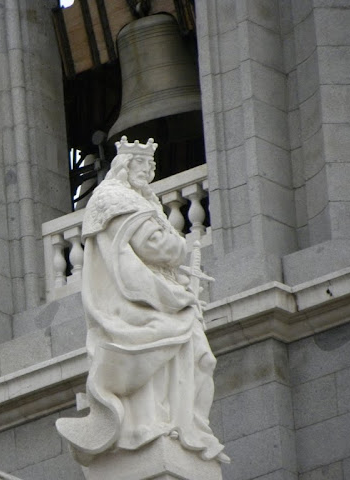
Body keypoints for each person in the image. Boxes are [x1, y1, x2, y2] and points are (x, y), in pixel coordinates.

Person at [56, 137, 227, 463]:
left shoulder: (137, 200)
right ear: (125, 165)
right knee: (156, 356)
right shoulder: (115, 199)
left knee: (202, 359)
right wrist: (178, 248)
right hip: (135, 305)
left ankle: (187, 426)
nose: (148, 173)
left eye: (151, 167)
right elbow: (154, 246)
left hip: (158, 297)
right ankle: (145, 428)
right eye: (142, 166)